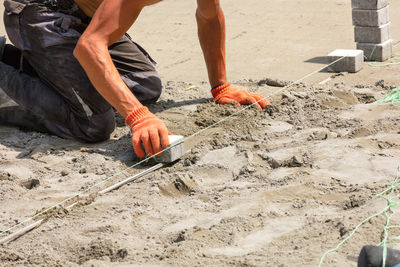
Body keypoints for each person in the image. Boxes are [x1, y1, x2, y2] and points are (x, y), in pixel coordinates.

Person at [0, 0, 269, 158]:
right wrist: (138, 117)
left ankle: (30, 64)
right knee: (93, 123)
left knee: (145, 83)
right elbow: (90, 46)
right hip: (41, 12)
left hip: (85, 15)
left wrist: (220, 86)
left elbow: (209, 16)